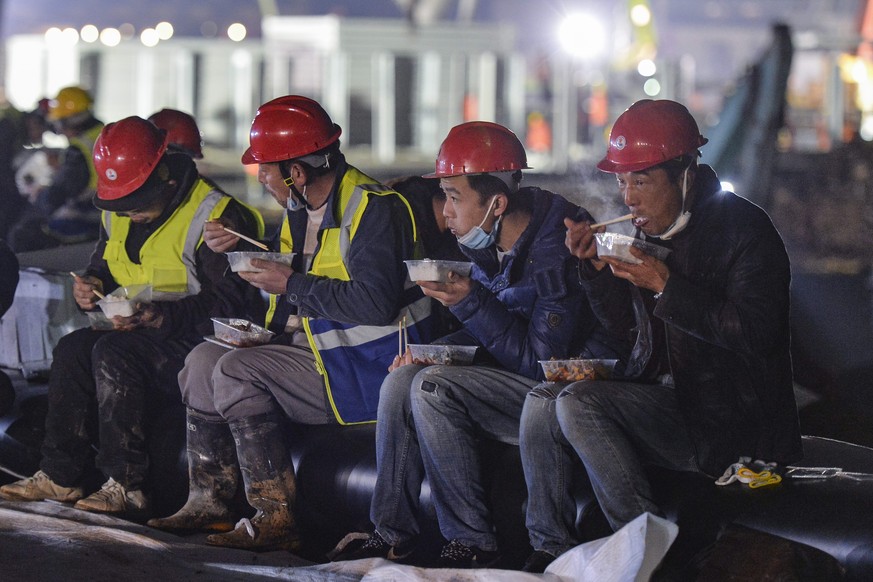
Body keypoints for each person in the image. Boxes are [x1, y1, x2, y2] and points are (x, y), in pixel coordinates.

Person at [519, 99, 803, 572]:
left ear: (686, 173)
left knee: (578, 403)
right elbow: (631, 334)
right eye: (621, 181)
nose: (628, 198)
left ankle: (644, 554)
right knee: (548, 397)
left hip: (730, 424)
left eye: (641, 181)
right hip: (669, 406)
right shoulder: (646, 233)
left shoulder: (745, 230)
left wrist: (666, 287)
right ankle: (548, 546)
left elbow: (757, 333)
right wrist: (594, 271)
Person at [330, 121, 630, 568]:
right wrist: (434, 348)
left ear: (497, 203)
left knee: (431, 388)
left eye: (453, 197)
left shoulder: (557, 249)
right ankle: (391, 534)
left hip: (561, 392)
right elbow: (494, 328)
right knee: (402, 379)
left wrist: (470, 303)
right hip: (516, 380)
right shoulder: (487, 242)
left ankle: (472, 542)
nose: (445, 212)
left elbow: (541, 363)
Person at [146, 95, 432, 552]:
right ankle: (211, 502)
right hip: (317, 355)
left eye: (265, 169)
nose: (260, 177)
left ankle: (275, 515)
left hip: (365, 369)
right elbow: (304, 282)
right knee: (203, 358)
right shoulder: (302, 209)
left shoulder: (374, 209)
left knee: (236, 371)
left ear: (295, 173)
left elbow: (375, 304)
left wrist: (290, 284)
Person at [0, 116, 264, 518]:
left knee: (113, 352)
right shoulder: (118, 211)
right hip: (137, 332)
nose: (127, 212)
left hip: (195, 345)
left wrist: (160, 317)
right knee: (73, 348)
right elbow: (104, 268)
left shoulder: (217, 219)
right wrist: (90, 287)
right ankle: (60, 475)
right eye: (119, 203)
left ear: (165, 177)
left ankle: (127, 485)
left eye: (134, 202)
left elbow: (230, 308)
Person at [7, 86, 104, 251]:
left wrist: (38, 195)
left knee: (21, 232)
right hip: (104, 216)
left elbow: (57, 195)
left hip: (88, 219)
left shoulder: (77, 150)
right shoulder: (104, 133)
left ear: (70, 120)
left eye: (59, 122)